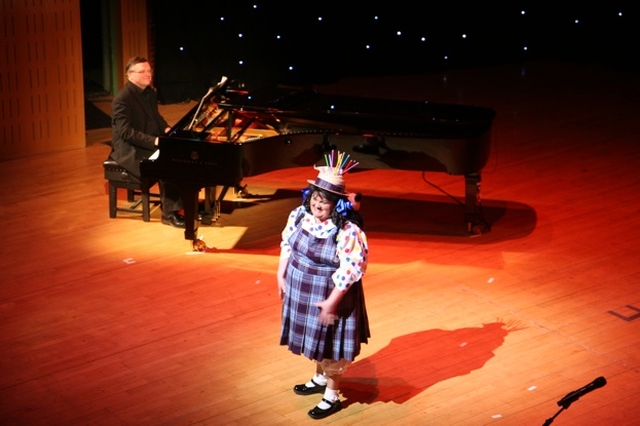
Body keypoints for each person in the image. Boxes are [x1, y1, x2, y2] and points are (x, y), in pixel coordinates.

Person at [277, 152, 370, 420]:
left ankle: (332, 395)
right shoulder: (299, 215)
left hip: (329, 293)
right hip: (302, 289)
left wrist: (331, 302)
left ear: (337, 204)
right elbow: (287, 244)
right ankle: (319, 378)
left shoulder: (348, 231)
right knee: (316, 341)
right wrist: (280, 274)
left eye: (325, 199)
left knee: (330, 345)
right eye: (316, 196)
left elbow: (352, 269)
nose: (318, 203)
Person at [110, 56, 185, 228]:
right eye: (142, 71)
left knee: (179, 155)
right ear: (130, 75)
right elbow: (126, 133)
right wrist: (155, 141)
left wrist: (167, 130)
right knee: (166, 163)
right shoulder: (122, 99)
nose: (148, 74)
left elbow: (156, 118)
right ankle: (169, 214)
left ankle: (181, 204)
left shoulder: (149, 92)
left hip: (147, 142)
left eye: (149, 71)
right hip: (130, 150)